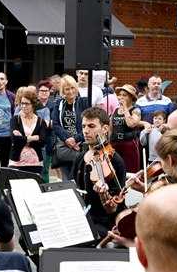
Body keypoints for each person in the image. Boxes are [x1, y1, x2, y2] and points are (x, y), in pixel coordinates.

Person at [71, 107, 126, 238]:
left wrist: (104, 196)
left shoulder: (115, 160)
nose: (85, 130)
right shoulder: (80, 157)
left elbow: (114, 208)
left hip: (104, 223)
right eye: (83, 126)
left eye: (91, 126)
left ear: (105, 129)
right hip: (82, 217)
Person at [51, 75, 90, 179]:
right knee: (66, 179)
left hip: (80, 145)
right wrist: (67, 139)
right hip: (64, 145)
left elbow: (88, 125)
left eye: (72, 88)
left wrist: (75, 139)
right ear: (63, 90)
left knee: (79, 178)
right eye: (67, 89)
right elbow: (55, 124)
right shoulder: (59, 103)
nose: (70, 91)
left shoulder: (84, 102)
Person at [9, 86, 48, 176]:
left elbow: (42, 141)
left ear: (33, 104)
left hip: (35, 163)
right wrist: (33, 138)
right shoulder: (15, 120)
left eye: (26, 104)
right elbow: (14, 140)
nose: (23, 106)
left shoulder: (41, 122)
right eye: (22, 103)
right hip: (16, 163)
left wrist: (23, 139)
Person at [110, 84, 142, 175]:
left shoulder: (136, 110)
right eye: (120, 95)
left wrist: (125, 109)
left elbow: (131, 124)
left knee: (130, 172)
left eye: (124, 95)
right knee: (115, 172)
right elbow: (111, 128)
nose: (121, 97)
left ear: (131, 97)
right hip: (115, 144)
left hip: (129, 145)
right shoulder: (115, 110)